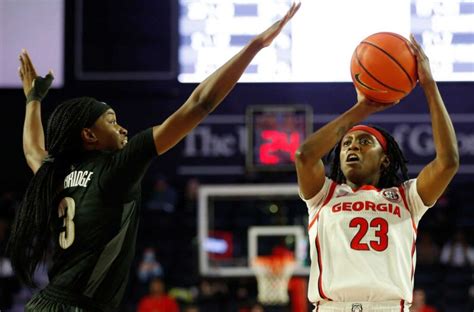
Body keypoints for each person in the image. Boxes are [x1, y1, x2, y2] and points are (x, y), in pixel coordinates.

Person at [7, 3, 301, 311]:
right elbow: (199, 103)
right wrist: (254, 47)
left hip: (44, 304)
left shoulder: (59, 173)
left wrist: (33, 99)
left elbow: (32, 151)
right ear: (89, 136)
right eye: (110, 120)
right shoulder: (115, 169)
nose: (122, 128)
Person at [295, 34, 459, 311]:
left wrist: (429, 86)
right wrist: (363, 109)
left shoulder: (407, 198)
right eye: (346, 142)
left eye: (363, 142)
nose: (351, 147)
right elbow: (304, 156)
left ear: (384, 160)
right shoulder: (323, 195)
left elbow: (448, 162)